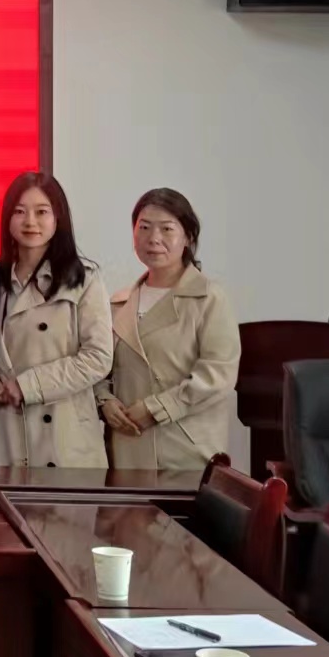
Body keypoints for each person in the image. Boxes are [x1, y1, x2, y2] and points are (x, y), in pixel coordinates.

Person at [96, 187, 239, 471]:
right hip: (126, 448)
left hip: (185, 449)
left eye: (167, 229)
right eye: (144, 227)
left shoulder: (209, 298)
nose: (154, 238)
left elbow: (218, 374)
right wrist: (104, 401)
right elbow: (100, 367)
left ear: (188, 237)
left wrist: (156, 409)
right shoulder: (118, 302)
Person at [0, 172, 112, 469]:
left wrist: (29, 385)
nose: (30, 222)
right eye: (20, 212)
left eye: (42, 212)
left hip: (64, 436)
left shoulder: (84, 279)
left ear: (58, 219)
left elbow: (98, 357)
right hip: (7, 433)